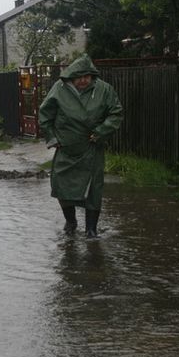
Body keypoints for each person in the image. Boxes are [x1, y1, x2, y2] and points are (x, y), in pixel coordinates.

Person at [39, 54, 123, 238]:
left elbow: (116, 113)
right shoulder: (59, 89)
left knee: (94, 190)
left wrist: (102, 131)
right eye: (80, 77)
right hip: (66, 148)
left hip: (92, 148)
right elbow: (45, 115)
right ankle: (71, 222)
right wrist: (52, 138)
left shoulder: (104, 89)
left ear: (92, 76)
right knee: (61, 186)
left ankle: (91, 230)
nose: (84, 80)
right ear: (72, 76)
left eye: (87, 76)